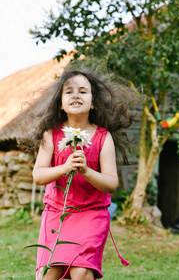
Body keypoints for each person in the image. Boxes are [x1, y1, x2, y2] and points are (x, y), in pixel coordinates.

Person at [28, 66, 140, 280]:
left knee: (80, 271)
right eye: (68, 91)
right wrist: (65, 167)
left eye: (83, 91)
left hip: (91, 214)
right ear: (60, 103)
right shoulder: (51, 135)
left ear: (93, 102)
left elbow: (111, 183)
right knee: (51, 274)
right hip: (57, 214)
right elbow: (38, 176)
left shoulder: (102, 137)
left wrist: (86, 171)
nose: (75, 95)